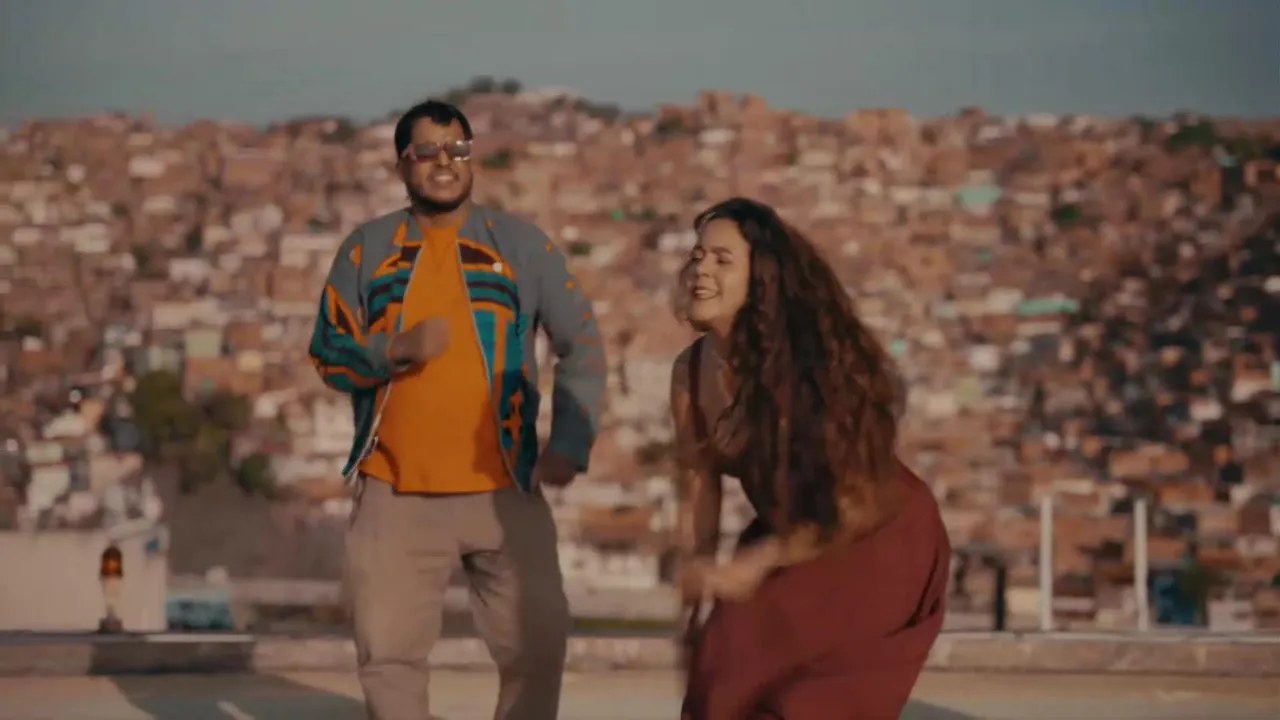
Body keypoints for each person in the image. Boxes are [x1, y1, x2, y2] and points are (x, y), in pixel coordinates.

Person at [308, 99, 606, 720]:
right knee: (389, 660)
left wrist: (569, 445)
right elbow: (329, 351)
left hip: (506, 488)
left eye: (458, 149)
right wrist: (392, 350)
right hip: (395, 492)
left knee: (539, 646)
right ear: (401, 166)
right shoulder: (367, 250)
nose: (445, 162)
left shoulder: (521, 246)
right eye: (427, 151)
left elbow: (581, 343)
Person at [670, 198, 951, 720]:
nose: (701, 269)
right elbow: (699, 490)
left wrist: (754, 564)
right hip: (790, 532)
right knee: (721, 679)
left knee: (804, 701)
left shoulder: (808, 369)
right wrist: (691, 596)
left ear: (762, 281)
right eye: (697, 255)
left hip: (877, 532)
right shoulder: (689, 375)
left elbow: (856, 501)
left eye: (723, 260)